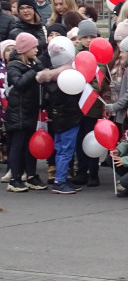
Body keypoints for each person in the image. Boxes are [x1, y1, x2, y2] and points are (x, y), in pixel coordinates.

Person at [35, 36, 82, 194]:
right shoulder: (68, 77)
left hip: (59, 119)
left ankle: (62, 178)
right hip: (69, 118)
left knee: (61, 148)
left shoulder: (50, 79)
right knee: (65, 150)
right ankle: (60, 180)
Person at [6, 33, 46, 192]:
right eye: (34, 47)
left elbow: (42, 74)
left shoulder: (33, 62)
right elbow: (18, 83)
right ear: (25, 49)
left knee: (31, 146)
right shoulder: (14, 65)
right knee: (18, 145)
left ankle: (31, 175)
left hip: (30, 111)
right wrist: (33, 72)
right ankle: (15, 178)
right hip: (19, 113)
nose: (37, 50)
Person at [70, 20, 107, 189]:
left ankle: (93, 173)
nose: (88, 40)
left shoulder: (100, 56)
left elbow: (97, 82)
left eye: (92, 36)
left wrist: (85, 91)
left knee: (91, 139)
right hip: (75, 105)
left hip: (92, 105)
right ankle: (81, 171)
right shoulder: (74, 55)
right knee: (78, 140)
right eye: (85, 37)